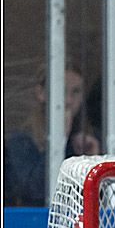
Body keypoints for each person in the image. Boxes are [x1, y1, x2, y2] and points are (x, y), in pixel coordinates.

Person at [4, 64, 99, 207]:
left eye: (76, 91)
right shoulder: (21, 141)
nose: (68, 100)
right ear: (41, 93)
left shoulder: (88, 139)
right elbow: (33, 190)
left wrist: (93, 161)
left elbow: (102, 200)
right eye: (61, 90)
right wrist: (59, 140)